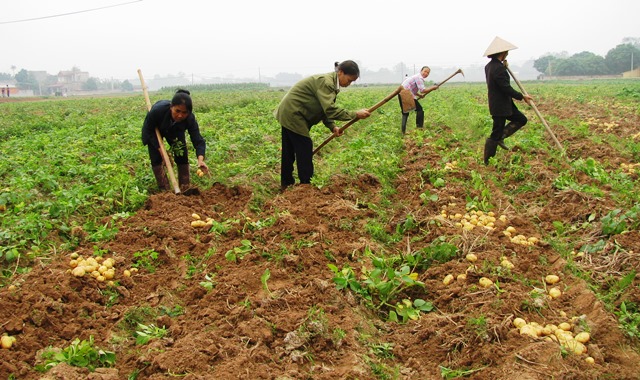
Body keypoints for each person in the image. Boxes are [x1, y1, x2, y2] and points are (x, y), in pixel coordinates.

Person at [274, 60, 371, 191]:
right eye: (349, 80)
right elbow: (330, 110)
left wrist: (332, 127)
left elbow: (323, 109)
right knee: (304, 147)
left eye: (352, 82)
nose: (349, 84)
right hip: (294, 113)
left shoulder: (331, 83)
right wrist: (355, 114)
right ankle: (305, 187)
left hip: (291, 112)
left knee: (289, 151)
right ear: (341, 72)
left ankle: (286, 184)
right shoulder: (327, 82)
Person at [141, 89, 208, 191]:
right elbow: (148, 131)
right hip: (155, 129)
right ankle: (165, 191)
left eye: (184, 112)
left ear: (189, 112)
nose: (180, 115)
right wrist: (162, 152)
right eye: (177, 111)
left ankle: (184, 188)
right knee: (156, 158)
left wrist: (200, 160)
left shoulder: (190, 119)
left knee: (181, 155)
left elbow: (197, 139)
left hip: (175, 130)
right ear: (171, 107)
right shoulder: (157, 111)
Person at [483, 36, 533, 165]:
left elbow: (499, 81)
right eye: (507, 52)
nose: (508, 53)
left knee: (521, 119)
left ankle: (501, 137)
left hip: (502, 104)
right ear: (503, 52)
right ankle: (488, 162)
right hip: (500, 105)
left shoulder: (490, 66)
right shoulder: (497, 68)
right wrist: (522, 96)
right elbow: (505, 87)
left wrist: (503, 67)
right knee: (495, 132)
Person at [397, 66, 439, 134]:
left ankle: (403, 132)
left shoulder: (416, 77)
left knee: (405, 113)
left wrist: (419, 95)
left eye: (428, 73)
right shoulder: (419, 78)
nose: (426, 73)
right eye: (425, 71)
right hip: (406, 94)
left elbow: (413, 90)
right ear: (421, 71)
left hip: (402, 93)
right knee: (419, 109)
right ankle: (419, 129)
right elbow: (422, 90)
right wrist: (433, 87)